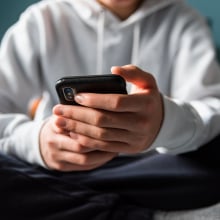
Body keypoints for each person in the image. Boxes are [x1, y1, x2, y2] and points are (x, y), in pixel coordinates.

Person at [0, 0, 220, 219]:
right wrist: (37, 143)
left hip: (148, 169)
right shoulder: (40, 20)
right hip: (57, 169)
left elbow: (210, 109)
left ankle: (78, 205)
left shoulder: (184, 20)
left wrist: (164, 122)